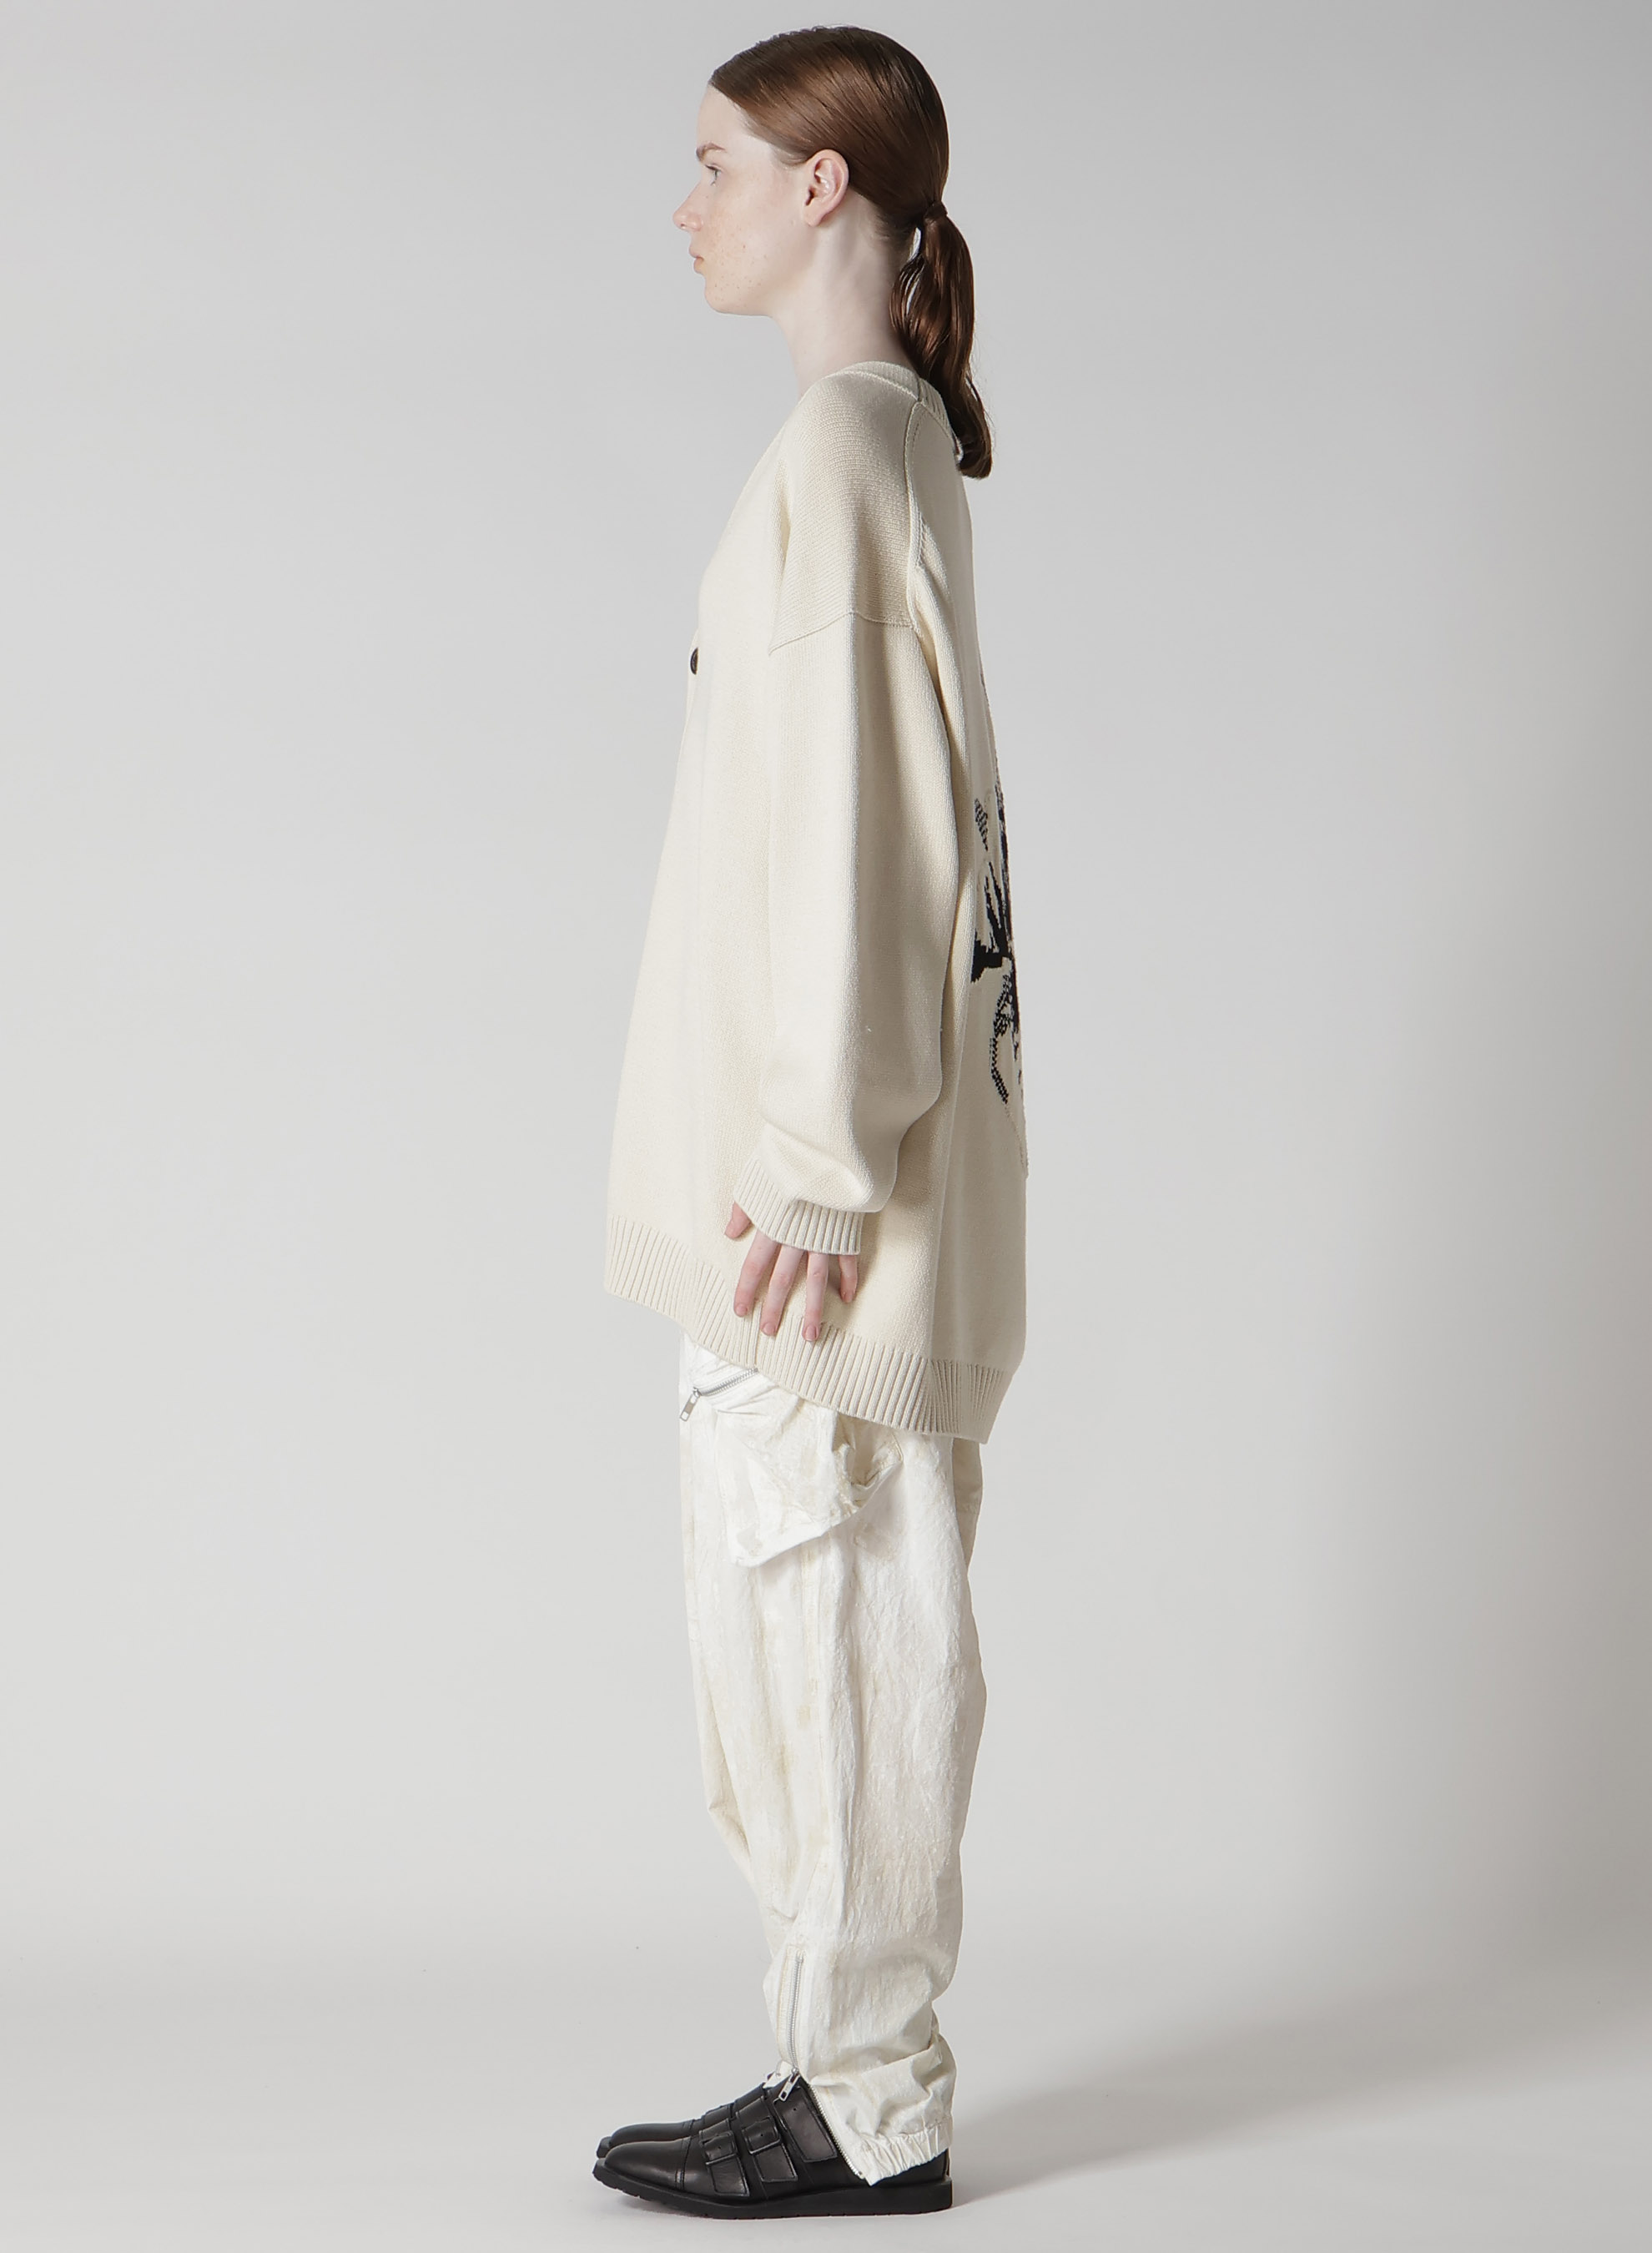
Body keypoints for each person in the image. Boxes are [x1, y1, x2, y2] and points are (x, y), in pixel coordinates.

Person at [595, 25, 1026, 2221]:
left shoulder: (843, 461)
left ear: (821, 188)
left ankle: (866, 2108)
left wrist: (818, 1165)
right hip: (825, 1187)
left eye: (713, 163)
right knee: (816, 1631)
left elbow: (865, 839)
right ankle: (841, 2074)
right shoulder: (877, 448)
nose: (684, 205)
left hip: (817, 1212)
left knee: (827, 1627)